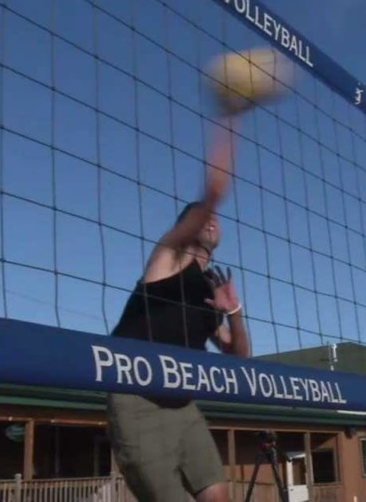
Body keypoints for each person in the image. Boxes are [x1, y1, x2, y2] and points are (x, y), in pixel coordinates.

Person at [106, 107, 251, 502]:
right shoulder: (166, 258)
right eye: (203, 218)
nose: (211, 222)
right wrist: (229, 121)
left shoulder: (210, 289)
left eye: (215, 219)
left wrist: (234, 313)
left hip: (182, 402)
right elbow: (209, 198)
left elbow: (239, 356)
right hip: (136, 399)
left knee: (218, 496)